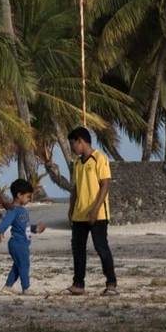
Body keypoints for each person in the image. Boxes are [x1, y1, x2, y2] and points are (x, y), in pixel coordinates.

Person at [67, 126, 117, 296]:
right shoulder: (77, 163)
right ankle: (78, 284)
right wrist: (71, 208)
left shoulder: (99, 158)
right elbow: (75, 188)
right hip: (79, 215)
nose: (72, 148)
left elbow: (105, 185)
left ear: (81, 141)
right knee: (78, 249)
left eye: (73, 144)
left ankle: (111, 283)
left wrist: (95, 209)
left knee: (101, 247)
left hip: (98, 214)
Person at [0, 177, 47, 293]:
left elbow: (24, 227)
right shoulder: (13, 210)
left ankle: (8, 286)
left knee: (18, 266)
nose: (29, 199)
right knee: (24, 265)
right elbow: (6, 221)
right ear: (19, 195)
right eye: (28, 196)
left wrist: (36, 229)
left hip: (23, 243)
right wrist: (0, 231)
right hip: (17, 243)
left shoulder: (23, 210)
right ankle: (26, 288)